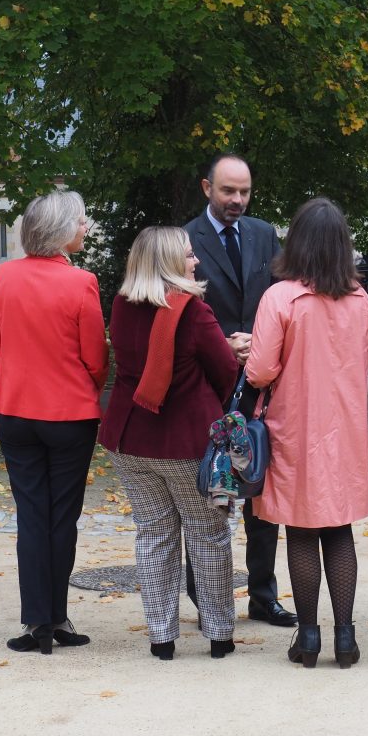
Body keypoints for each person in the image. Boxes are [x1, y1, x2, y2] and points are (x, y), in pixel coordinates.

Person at [245, 198, 368, 669]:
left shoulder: (280, 297)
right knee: (338, 528)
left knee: (300, 530)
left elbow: (259, 371)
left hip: (295, 426)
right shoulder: (360, 298)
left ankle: (309, 636)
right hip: (344, 427)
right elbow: (366, 361)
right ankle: (346, 637)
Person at [98, 226, 239, 660]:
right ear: (169, 262)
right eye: (190, 254)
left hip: (130, 438)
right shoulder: (194, 311)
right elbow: (225, 373)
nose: (196, 261)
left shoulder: (121, 305)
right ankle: (218, 634)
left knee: (154, 535)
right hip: (190, 444)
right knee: (209, 534)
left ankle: (161, 636)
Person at [0, 191, 108, 655]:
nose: (86, 227)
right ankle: (55, 617)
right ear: (60, 230)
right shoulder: (81, 282)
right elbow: (95, 356)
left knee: (32, 517)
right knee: (63, 519)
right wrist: (85, 384)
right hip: (69, 412)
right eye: (80, 221)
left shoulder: (2, 276)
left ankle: (38, 619)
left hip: (16, 409)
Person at [183, 154, 298, 628]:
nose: (237, 200)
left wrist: (261, 345)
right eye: (228, 191)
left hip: (259, 379)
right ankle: (204, 592)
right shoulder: (184, 239)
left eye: (244, 192)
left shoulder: (263, 233)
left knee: (259, 487)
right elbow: (180, 304)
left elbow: (279, 294)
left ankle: (263, 593)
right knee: (207, 486)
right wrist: (221, 344)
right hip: (205, 381)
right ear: (206, 187)